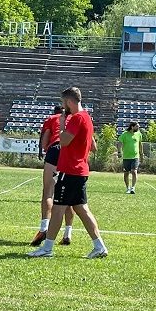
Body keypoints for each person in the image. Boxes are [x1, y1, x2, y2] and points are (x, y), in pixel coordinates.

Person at [28, 87, 107, 259]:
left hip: (71, 171)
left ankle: (47, 248)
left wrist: (62, 124)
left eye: (64, 103)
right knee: (82, 209)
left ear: (69, 102)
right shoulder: (86, 116)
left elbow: (63, 141)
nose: (63, 107)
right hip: (78, 170)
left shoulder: (77, 118)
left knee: (58, 209)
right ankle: (99, 246)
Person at [30, 105, 75, 247]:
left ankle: (44, 228)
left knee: (48, 193)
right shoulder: (75, 119)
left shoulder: (51, 119)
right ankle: (67, 233)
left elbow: (44, 142)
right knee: (68, 196)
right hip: (70, 152)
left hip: (55, 150)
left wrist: (44, 149)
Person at [117, 122, 143, 194]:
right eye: (137, 126)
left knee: (134, 171)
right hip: (126, 157)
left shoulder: (138, 134)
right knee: (126, 173)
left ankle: (133, 188)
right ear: (132, 127)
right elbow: (119, 143)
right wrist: (119, 152)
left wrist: (141, 154)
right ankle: (128, 188)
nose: (138, 128)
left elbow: (140, 144)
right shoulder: (124, 134)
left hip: (135, 157)